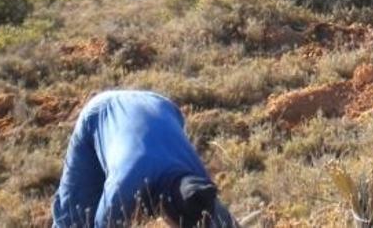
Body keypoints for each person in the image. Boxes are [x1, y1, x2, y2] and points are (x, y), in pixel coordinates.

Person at [53, 90, 236, 228]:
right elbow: (105, 223)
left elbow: (219, 217)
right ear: (168, 212)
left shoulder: (198, 180)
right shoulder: (125, 184)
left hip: (163, 108)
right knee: (75, 217)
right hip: (101, 113)